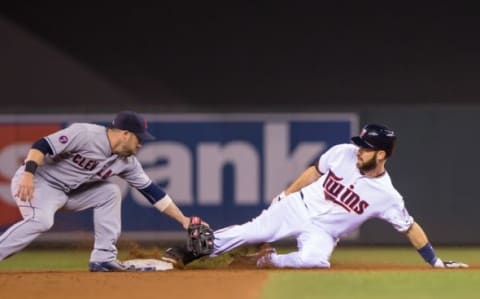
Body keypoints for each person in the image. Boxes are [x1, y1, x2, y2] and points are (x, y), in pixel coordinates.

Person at [162, 124, 468, 269]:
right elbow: (314, 171)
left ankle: (264, 261)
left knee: (315, 261)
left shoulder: (387, 196)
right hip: (298, 206)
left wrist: (435, 262)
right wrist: (286, 194)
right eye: (360, 145)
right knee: (254, 230)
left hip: (324, 232)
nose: (358, 150)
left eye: (366, 148)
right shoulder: (343, 153)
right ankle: (190, 251)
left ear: (382, 154)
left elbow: (409, 227)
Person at [0, 111, 195, 272]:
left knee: (110, 192)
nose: (141, 144)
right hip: (39, 183)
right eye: (139, 138)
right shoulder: (85, 134)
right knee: (41, 221)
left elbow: (152, 192)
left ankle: (103, 258)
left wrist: (183, 220)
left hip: (68, 193)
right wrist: (28, 174)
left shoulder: (127, 163)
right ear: (125, 134)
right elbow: (41, 145)